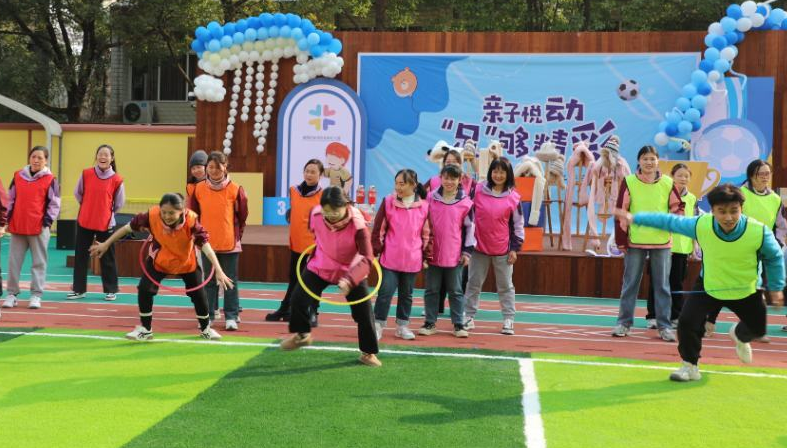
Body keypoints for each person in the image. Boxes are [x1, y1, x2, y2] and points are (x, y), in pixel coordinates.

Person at [615, 184, 784, 381]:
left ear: (742, 209)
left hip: (746, 289)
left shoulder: (759, 231)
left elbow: (774, 257)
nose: (728, 217)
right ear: (712, 210)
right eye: (722, 212)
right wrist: (636, 218)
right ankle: (690, 366)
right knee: (687, 322)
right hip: (710, 286)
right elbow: (670, 221)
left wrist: (776, 287)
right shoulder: (701, 225)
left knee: (758, 328)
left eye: (734, 211)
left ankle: (740, 335)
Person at [90, 193, 233, 340]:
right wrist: (106, 244)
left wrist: (219, 270)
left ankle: (206, 329)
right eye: (164, 212)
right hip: (159, 260)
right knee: (144, 289)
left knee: (199, 295)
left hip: (186, 262)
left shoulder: (191, 221)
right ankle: (146, 330)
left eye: (171, 213)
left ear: (181, 211)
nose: (166, 216)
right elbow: (127, 228)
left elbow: (206, 246)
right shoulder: (151, 216)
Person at [279, 186, 381, 367]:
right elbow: (316, 236)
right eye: (327, 211)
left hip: (351, 270)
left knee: (364, 312)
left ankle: (368, 352)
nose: (331, 215)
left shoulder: (358, 224)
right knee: (298, 299)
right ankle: (302, 335)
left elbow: (367, 257)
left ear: (346, 205)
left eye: (335, 210)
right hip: (321, 265)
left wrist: (350, 279)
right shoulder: (316, 215)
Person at [706, 160, 785, 340]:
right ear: (751, 176)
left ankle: (756, 329)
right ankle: (709, 321)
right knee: (723, 285)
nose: (765, 177)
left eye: (767, 173)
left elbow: (781, 225)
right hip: (736, 247)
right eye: (760, 174)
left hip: (760, 250)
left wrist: (778, 242)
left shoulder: (775, 199)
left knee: (756, 290)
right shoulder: (740, 195)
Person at [611, 145, 683, 342]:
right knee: (630, 284)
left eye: (652, 159)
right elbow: (621, 210)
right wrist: (621, 240)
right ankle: (623, 323)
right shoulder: (629, 181)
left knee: (662, 286)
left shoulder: (668, 182)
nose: (649, 162)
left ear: (658, 161)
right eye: (645, 158)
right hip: (635, 241)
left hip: (662, 242)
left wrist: (673, 223)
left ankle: (664, 326)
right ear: (639, 161)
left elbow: (677, 207)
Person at [462, 157, 524, 335]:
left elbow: (518, 225)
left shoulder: (514, 197)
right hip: (478, 248)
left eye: (502, 172)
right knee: (473, 284)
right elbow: (467, 214)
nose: (498, 175)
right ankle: (468, 316)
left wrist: (514, 248)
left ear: (508, 174)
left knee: (505, 286)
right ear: (490, 172)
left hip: (503, 250)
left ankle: (508, 319)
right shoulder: (478, 190)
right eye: (495, 171)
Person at [190, 151, 248, 330]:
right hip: (207, 243)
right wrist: (196, 237)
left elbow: (243, 215)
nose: (214, 170)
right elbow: (193, 215)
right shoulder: (198, 189)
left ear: (225, 167)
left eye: (217, 167)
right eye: (210, 167)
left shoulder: (236, 189)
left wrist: (236, 235)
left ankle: (231, 316)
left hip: (229, 242)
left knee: (230, 280)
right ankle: (208, 315)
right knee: (208, 281)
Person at [371, 169, 431, 340]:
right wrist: (376, 251)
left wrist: (426, 256)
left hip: (412, 260)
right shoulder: (388, 202)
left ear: (413, 185)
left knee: (407, 295)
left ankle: (402, 326)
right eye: (396, 183)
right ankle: (378, 325)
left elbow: (427, 234)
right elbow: (378, 229)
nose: (398, 187)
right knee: (385, 293)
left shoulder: (424, 206)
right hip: (390, 259)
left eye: (402, 184)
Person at [2, 146, 61, 310]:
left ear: (46, 161)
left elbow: (55, 204)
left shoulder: (51, 179)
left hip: (39, 229)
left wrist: (46, 222)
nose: (36, 160)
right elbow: (11, 199)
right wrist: (8, 220)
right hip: (18, 226)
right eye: (33, 156)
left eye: (40, 158)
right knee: (14, 262)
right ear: (29, 158)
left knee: (39, 263)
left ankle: (36, 295)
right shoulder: (18, 176)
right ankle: (12, 294)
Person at [266, 159, 324, 324]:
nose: (309, 174)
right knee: (293, 278)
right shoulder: (293, 191)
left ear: (320, 175)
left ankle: (313, 312)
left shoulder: (323, 195)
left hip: (314, 246)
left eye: (313, 172)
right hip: (297, 243)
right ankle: (286, 309)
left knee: (313, 281)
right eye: (307, 171)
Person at [421, 164, 475, 338]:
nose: (449, 181)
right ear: (440, 178)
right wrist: (422, 249)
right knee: (431, 290)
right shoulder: (430, 198)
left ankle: (458, 324)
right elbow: (422, 222)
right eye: (446, 178)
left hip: (454, 255)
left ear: (460, 180)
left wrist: (466, 252)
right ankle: (430, 323)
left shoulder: (466, 203)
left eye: (453, 178)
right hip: (432, 253)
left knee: (456, 291)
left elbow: (470, 229)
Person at [68, 144, 125, 301]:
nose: (102, 157)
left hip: (105, 224)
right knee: (81, 256)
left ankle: (111, 290)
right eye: (100, 154)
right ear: (96, 156)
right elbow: (78, 193)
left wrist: (106, 212)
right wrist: (88, 206)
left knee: (107, 257)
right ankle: (79, 290)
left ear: (112, 158)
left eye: (106, 155)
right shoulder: (86, 174)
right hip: (85, 221)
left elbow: (119, 203)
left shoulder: (117, 179)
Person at [645, 163, 698, 329]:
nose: (683, 178)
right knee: (657, 281)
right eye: (679, 175)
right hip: (661, 246)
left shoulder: (692, 198)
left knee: (676, 283)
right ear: (672, 177)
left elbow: (694, 224)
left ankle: (675, 316)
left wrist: (694, 246)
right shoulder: (663, 193)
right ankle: (653, 316)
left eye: (686, 176)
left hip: (682, 248)